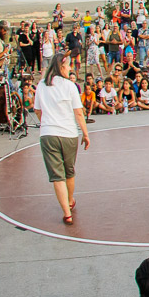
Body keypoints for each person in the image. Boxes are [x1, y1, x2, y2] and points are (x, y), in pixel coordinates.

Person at [32, 53, 90, 226]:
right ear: (61, 67)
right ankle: (70, 200)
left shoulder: (42, 85)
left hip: (48, 134)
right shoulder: (70, 86)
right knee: (69, 171)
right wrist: (85, 134)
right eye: (68, 66)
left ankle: (67, 213)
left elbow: (37, 110)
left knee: (57, 176)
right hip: (68, 133)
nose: (70, 69)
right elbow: (78, 112)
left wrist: (45, 121)